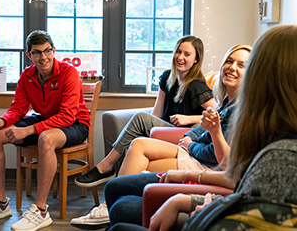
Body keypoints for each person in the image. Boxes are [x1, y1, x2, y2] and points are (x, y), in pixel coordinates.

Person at [111, 25, 297, 231]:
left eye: (246, 65)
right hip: (202, 172)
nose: (232, 68)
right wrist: (193, 139)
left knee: (122, 205)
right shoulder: (242, 110)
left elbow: (232, 178)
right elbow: (239, 183)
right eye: (229, 61)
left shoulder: (280, 152)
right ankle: (105, 179)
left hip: (202, 168)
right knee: (122, 179)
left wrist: (190, 180)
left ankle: (104, 173)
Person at [71, 35, 216, 226]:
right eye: (178, 52)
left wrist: (189, 118)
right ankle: (111, 195)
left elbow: (217, 114)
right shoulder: (168, 77)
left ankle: (106, 168)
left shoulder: (197, 86)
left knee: (140, 119)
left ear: (196, 59)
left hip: (185, 135)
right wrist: (148, 129)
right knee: (138, 132)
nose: (180, 57)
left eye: (187, 54)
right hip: (165, 131)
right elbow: (157, 111)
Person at [101, 44, 250, 227]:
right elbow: (203, 126)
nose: (232, 67)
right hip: (196, 154)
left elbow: (216, 153)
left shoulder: (227, 102)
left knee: (140, 156)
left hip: (205, 163)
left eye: (241, 65)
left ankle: (111, 194)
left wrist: (191, 145)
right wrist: (189, 136)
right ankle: (112, 196)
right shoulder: (225, 100)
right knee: (139, 144)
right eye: (229, 61)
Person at [0, 30, 91, 231]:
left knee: (46, 138)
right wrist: (1, 121)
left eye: (47, 51)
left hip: (75, 124)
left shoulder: (69, 72)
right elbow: (18, 109)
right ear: (29, 55)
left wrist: (27, 131)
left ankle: (41, 211)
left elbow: (67, 116)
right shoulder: (27, 75)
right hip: (44, 120)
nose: (43, 57)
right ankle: (0, 204)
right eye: (37, 52)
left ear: (54, 50)